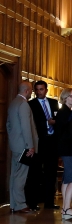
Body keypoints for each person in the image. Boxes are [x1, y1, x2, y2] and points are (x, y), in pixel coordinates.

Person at [25, 80, 60, 210]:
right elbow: (31, 122)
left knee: (51, 172)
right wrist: (47, 123)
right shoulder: (30, 105)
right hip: (38, 142)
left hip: (52, 142)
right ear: (34, 91)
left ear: (46, 90)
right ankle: (33, 203)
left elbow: (58, 119)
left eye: (41, 89)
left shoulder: (54, 102)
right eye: (37, 89)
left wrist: (55, 123)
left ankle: (49, 202)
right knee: (35, 173)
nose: (39, 91)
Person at [6, 81, 38, 213]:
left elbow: (8, 125)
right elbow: (26, 127)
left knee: (14, 175)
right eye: (31, 90)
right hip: (24, 147)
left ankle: (13, 204)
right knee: (21, 176)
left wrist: (13, 139)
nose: (32, 93)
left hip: (15, 145)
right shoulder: (24, 104)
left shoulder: (13, 103)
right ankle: (20, 204)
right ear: (27, 91)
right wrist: (30, 146)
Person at [53, 88, 72, 220]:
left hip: (65, 148)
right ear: (64, 98)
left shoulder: (66, 112)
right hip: (67, 149)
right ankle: (66, 208)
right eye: (71, 96)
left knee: (66, 179)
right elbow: (67, 134)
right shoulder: (65, 113)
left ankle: (66, 207)